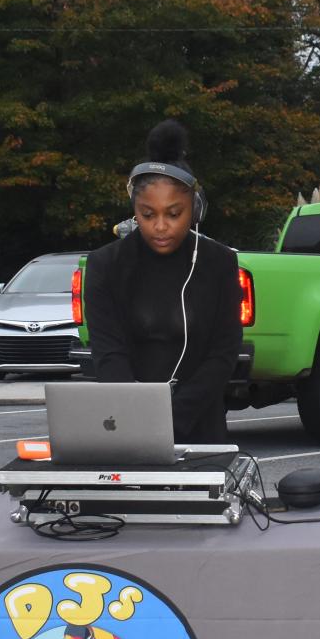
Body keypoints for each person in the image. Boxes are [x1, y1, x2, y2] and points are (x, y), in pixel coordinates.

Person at [82, 120, 242, 444]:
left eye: (173, 213)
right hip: (128, 428)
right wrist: (139, 421)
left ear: (195, 210)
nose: (160, 226)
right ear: (133, 211)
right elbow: (108, 355)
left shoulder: (220, 263)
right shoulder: (105, 266)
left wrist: (174, 421)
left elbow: (224, 352)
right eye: (147, 214)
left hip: (203, 428)